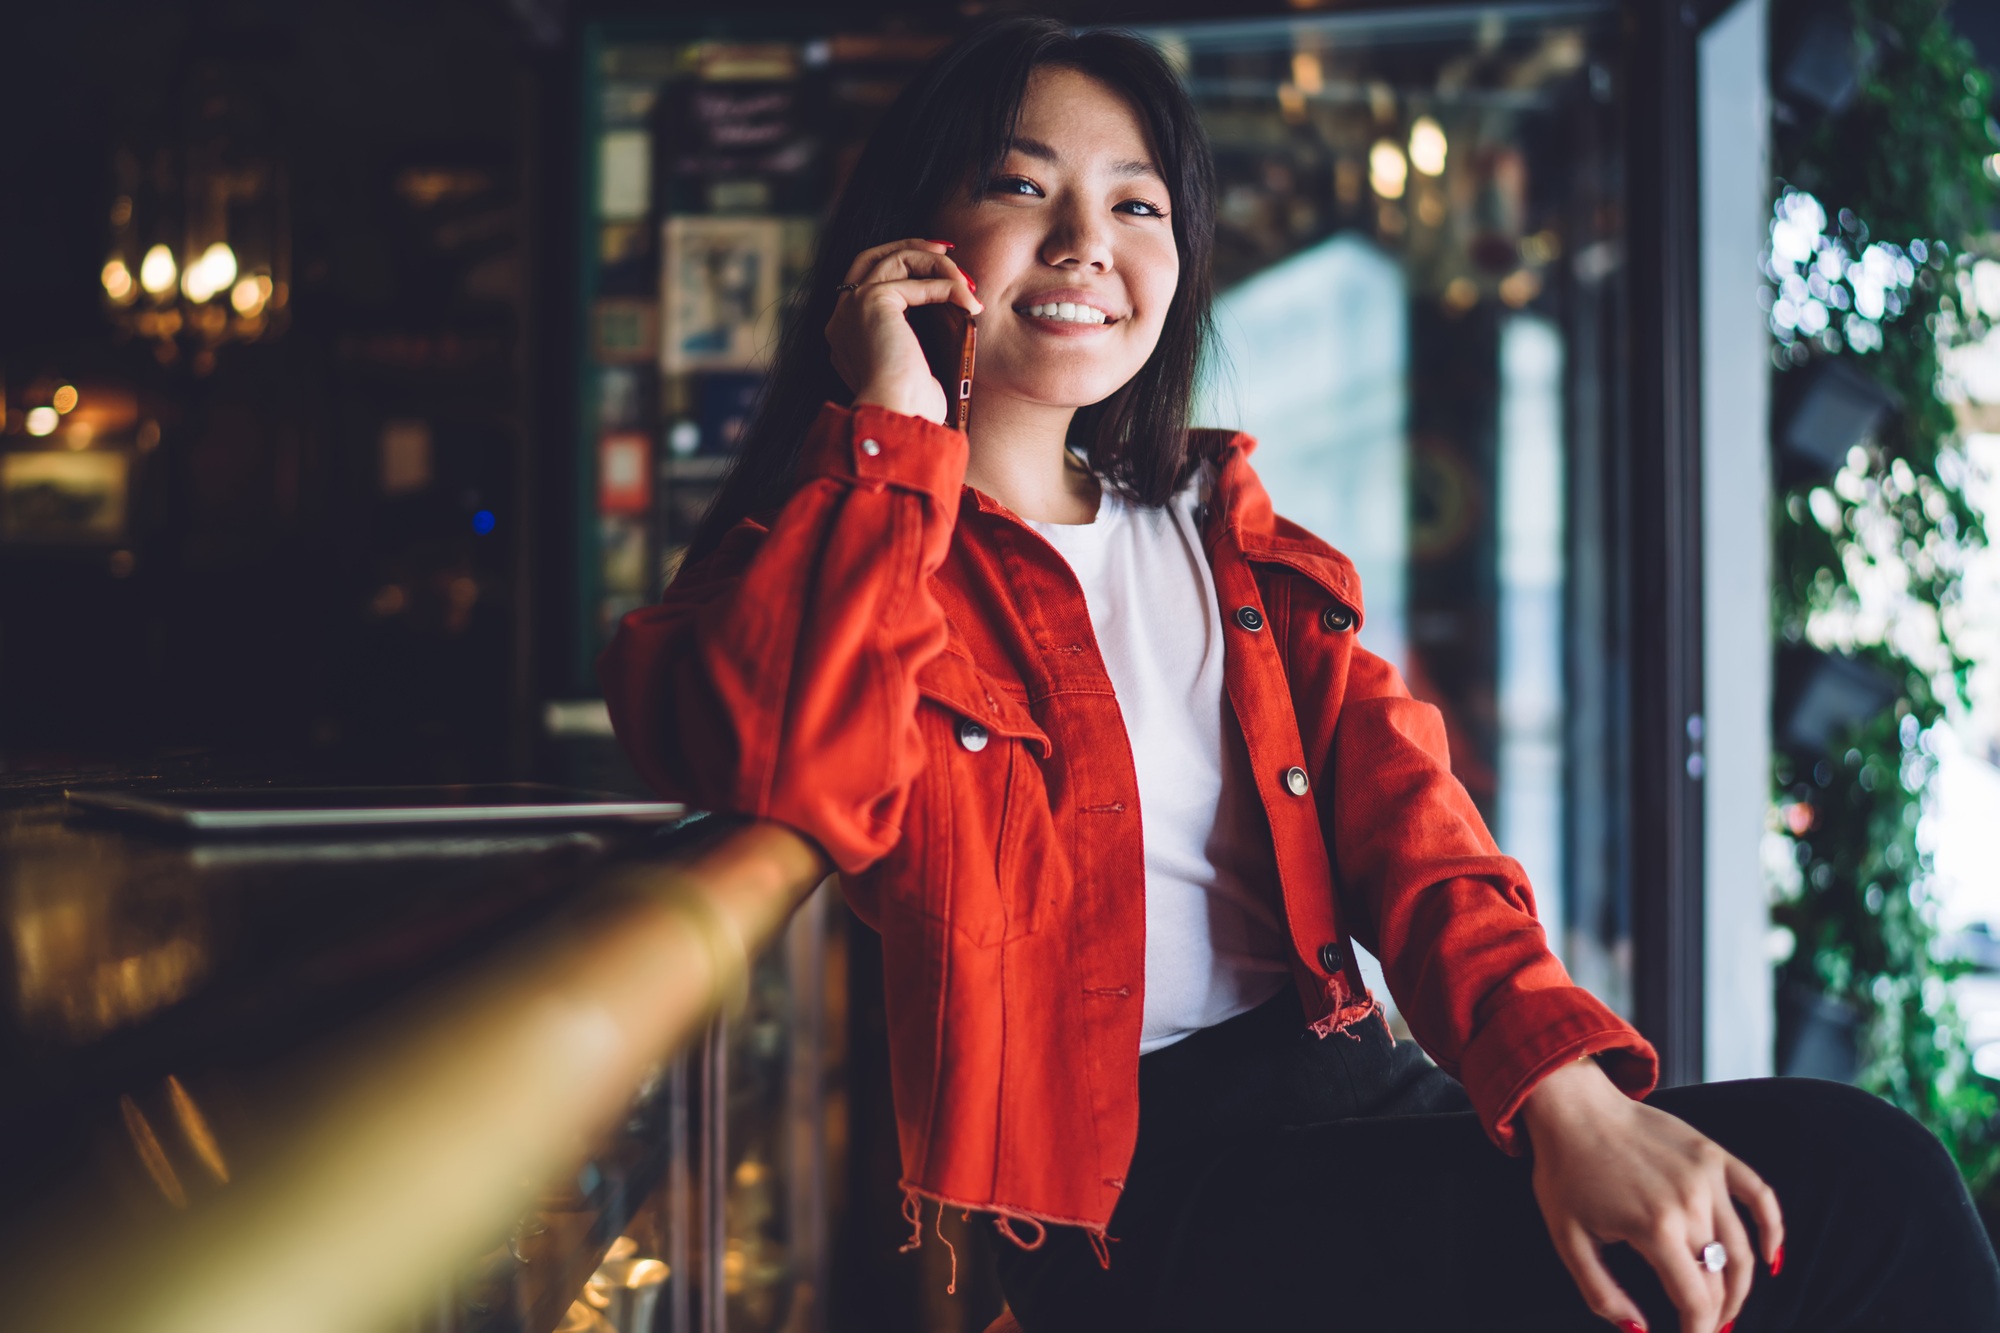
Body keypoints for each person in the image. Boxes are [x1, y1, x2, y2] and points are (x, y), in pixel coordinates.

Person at [600, 17, 2000, 1332]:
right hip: (1134, 1204)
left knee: (1822, 1195)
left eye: (1137, 203)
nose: (1087, 242)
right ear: (914, 246)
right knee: (1858, 1190)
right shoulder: (862, 548)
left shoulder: (1240, 551)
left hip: (1356, 1090)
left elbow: (1423, 845)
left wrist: (1569, 1096)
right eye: (1026, 189)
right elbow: (787, 762)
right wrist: (894, 431)